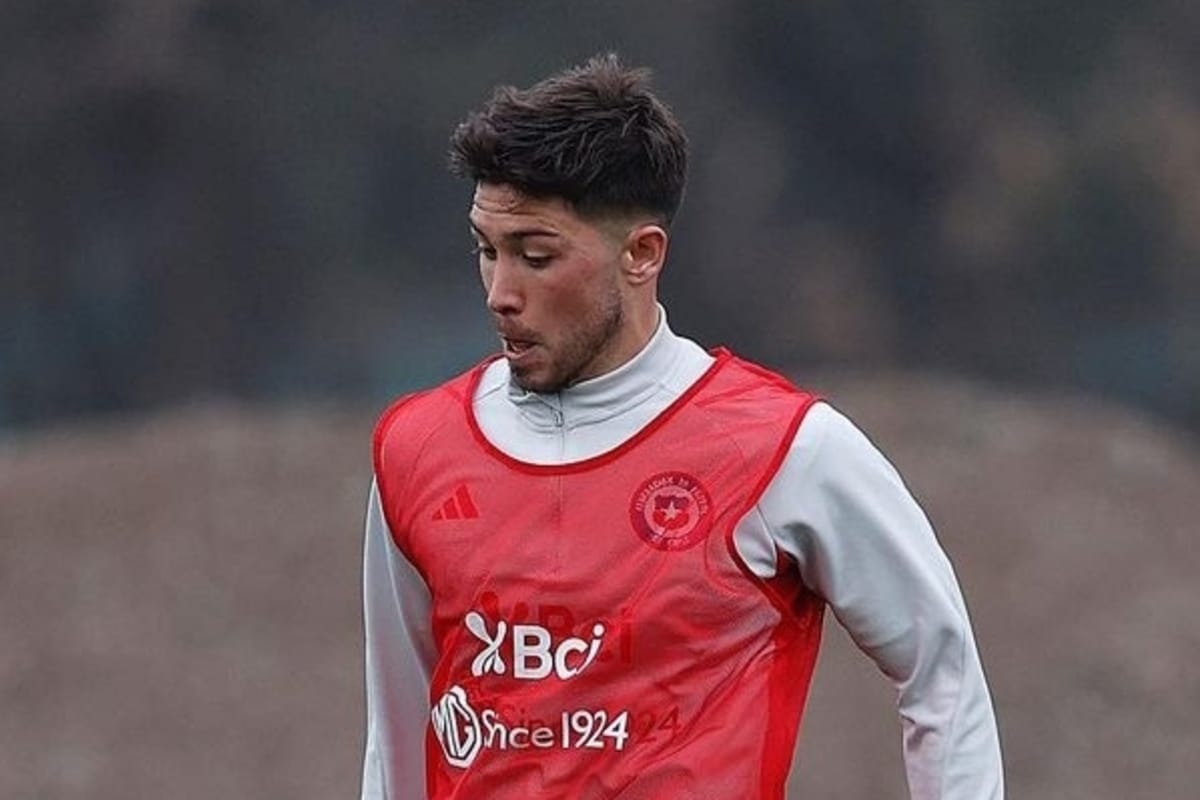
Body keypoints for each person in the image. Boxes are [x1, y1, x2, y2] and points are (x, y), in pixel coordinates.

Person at [360, 54, 1003, 800]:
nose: (501, 293)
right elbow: (399, 734)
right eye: (485, 251)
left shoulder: (785, 449)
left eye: (536, 256)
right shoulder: (415, 449)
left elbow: (942, 669)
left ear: (641, 254)